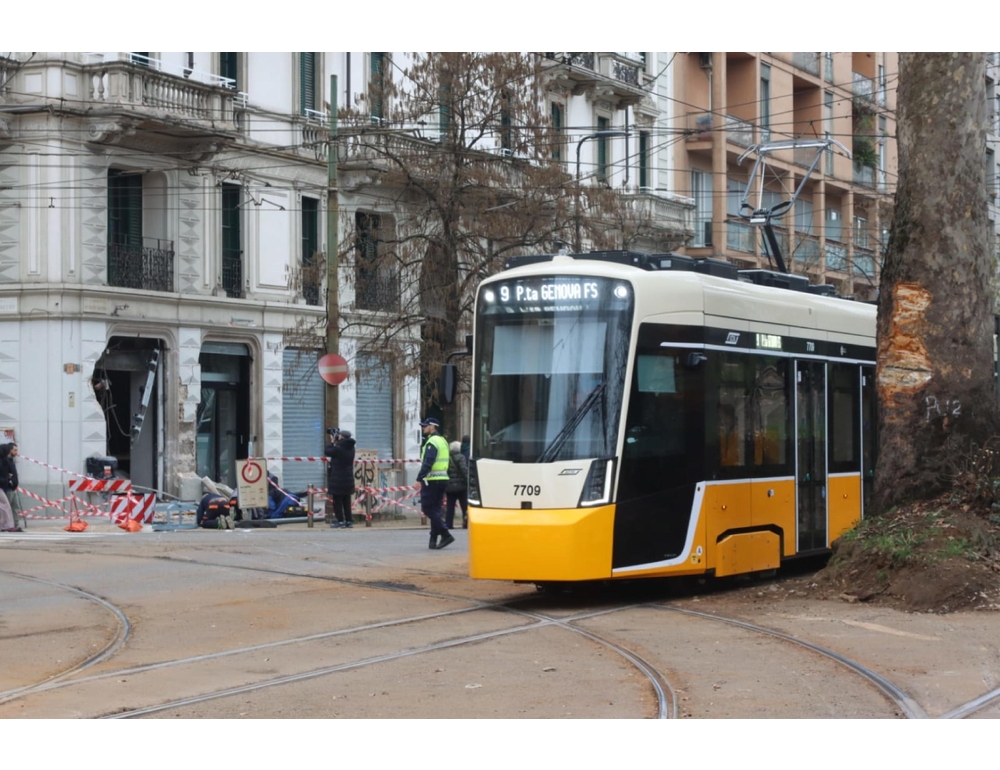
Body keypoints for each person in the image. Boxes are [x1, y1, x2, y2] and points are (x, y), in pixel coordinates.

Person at [417, 417, 453, 549]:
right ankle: (433, 540)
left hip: (432, 480)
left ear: (432, 427)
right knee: (436, 510)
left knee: (427, 508)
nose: (423, 428)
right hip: (443, 479)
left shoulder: (432, 442)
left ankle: (445, 533)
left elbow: (428, 462)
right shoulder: (443, 441)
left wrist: (419, 478)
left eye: (425, 426)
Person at [325, 428, 356, 528]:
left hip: (338, 479)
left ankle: (340, 521)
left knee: (337, 501)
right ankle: (349, 521)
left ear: (341, 437)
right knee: (347, 501)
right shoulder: (351, 448)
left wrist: (332, 441)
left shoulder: (339, 448)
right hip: (348, 479)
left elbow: (327, 451)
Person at [445, 440, 469, 530]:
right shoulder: (461, 457)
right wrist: (468, 482)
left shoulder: (447, 458)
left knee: (450, 507)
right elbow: (464, 470)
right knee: (464, 506)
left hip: (450, 487)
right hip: (461, 487)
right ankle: (466, 523)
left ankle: (448, 524)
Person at [0, 442, 24, 530]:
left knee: (14, 508)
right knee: (5, 507)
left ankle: (13, 525)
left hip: (11, 487)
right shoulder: (4, 461)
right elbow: (4, 474)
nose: (16, 452)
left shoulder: (9, 461)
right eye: (15, 450)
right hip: (6, 487)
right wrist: (8, 480)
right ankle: (6, 525)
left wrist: (12, 480)